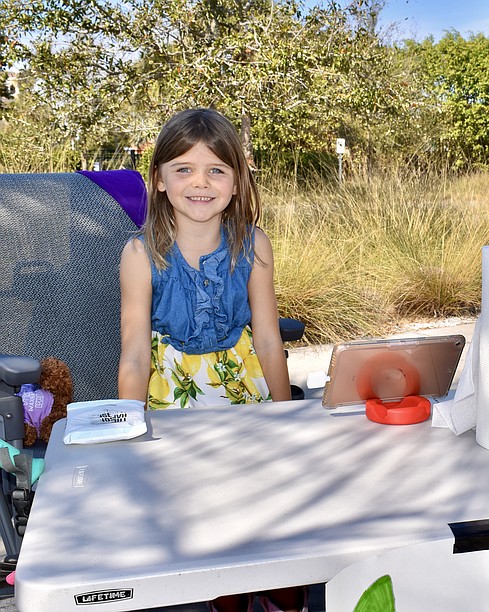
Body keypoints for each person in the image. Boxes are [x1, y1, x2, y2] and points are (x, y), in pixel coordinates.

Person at [118, 108, 304, 611]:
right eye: (183, 169)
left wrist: (287, 416)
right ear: (158, 179)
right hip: (175, 404)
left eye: (216, 170)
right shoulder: (141, 254)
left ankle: (284, 596)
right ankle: (229, 598)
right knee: (213, 526)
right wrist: (125, 436)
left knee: (269, 516)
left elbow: (268, 339)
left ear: (238, 181)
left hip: (245, 395)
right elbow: (134, 356)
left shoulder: (255, 245)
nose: (200, 182)